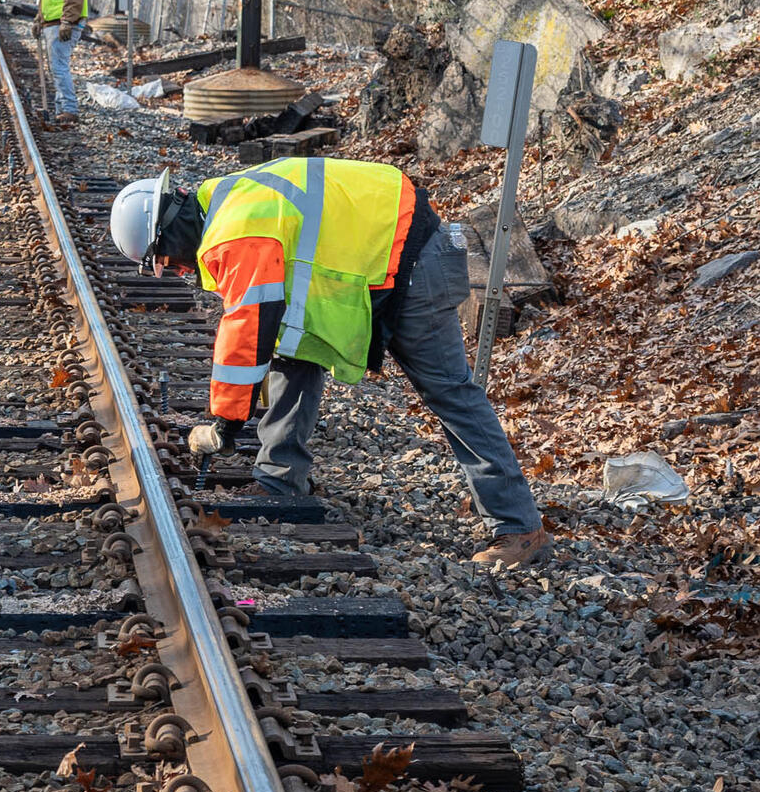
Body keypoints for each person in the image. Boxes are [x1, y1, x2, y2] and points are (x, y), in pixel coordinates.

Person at [108, 158, 551, 571]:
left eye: (166, 259)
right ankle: (280, 479)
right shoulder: (225, 201)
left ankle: (519, 527)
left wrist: (224, 424)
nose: (179, 271)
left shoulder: (236, 231)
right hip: (391, 250)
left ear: (169, 228)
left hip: (414, 259)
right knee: (292, 350)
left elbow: (246, 329)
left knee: (450, 392)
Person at [37, 0, 87, 125]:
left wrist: (67, 21)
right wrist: (38, 20)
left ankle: (69, 109)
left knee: (59, 67)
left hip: (63, 24)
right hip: (53, 24)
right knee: (56, 67)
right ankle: (61, 109)